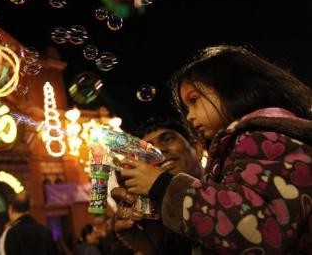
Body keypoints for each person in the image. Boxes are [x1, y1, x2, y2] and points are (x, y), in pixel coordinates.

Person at [117, 45, 312, 253]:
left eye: (194, 100)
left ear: (233, 88)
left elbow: (261, 230)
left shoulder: (267, 139)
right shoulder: (243, 146)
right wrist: (158, 246)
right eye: (186, 108)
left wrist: (164, 186)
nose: (190, 117)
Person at [113, 117, 204, 254]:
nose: (159, 151)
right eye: (148, 150)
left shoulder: (232, 189)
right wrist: (152, 248)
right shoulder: (155, 225)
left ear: (197, 148)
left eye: (167, 139)